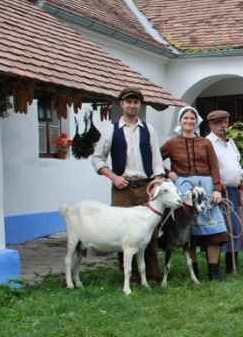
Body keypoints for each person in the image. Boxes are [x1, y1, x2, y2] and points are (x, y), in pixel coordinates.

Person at [92, 87, 165, 284]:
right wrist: (113, 177)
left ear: (140, 105)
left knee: (149, 232)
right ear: (122, 104)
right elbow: (98, 158)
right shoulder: (111, 130)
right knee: (123, 232)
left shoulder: (148, 130)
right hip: (122, 189)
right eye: (128, 102)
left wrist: (156, 185)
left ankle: (152, 275)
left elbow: (157, 161)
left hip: (146, 187)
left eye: (136, 102)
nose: (132, 105)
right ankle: (130, 276)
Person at [160, 107, 227, 281]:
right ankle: (194, 271)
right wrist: (169, 173)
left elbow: (214, 167)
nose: (189, 121)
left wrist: (217, 189)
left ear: (196, 121)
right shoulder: (172, 143)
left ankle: (214, 272)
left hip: (206, 188)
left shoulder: (205, 143)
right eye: (185, 118)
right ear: (180, 122)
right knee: (189, 231)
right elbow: (154, 160)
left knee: (214, 230)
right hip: (184, 189)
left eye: (192, 118)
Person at [205, 110, 243, 274]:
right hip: (218, 192)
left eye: (225, 121)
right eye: (219, 122)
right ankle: (215, 266)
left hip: (233, 191)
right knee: (219, 228)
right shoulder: (207, 143)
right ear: (210, 124)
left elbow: (237, 162)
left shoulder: (230, 142)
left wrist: (241, 177)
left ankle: (232, 264)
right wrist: (215, 183)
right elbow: (205, 167)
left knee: (234, 226)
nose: (223, 125)